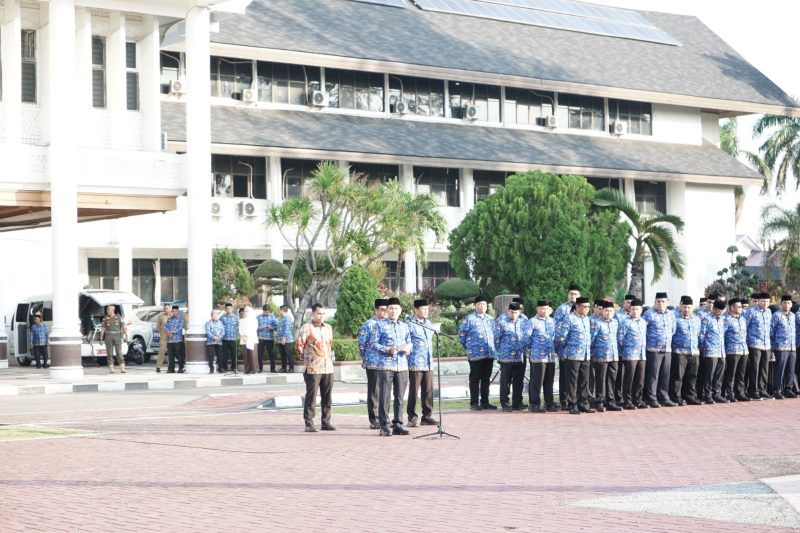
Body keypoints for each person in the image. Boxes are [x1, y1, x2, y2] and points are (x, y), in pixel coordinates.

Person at [370, 297, 412, 436]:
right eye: (391, 309)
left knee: (399, 397)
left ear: (400, 310)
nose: (394, 311)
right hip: (386, 365)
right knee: (385, 396)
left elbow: (410, 342)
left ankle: (398, 424)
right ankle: (383, 425)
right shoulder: (380, 325)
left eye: (396, 309)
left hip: (402, 366)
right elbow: (373, 344)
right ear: (386, 310)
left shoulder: (405, 326)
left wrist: (408, 348)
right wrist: (388, 349)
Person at [296, 303, 335, 432]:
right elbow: (299, 346)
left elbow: (330, 346)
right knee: (311, 396)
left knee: (327, 396)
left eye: (323, 314)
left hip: (328, 367)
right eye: (319, 313)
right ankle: (309, 422)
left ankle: (326, 421)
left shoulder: (328, 328)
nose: (321, 316)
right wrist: (309, 358)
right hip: (313, 368)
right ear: (313, 314)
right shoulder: (306, 328)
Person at [554, 296, 593, 415]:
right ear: (577, 306)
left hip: (585, 355)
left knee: (584, 381)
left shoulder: (587, 319)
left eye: (588, 307)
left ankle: (583, 403)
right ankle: (572, 404)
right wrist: (566, 350)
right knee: (572, 381)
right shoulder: (569, 319)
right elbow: (560, 337)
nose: (586, 309)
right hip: (572, 355)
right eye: (584, 307)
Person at [458, 295, 496, 411]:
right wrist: (469, 347)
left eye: (484, 304)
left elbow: (495, 334)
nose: (482, 306)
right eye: (479, 304)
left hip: (488, 353)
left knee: (486, 378)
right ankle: (474, 403)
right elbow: (461, 335)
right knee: (475, 378)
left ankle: (485, 402)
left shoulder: (490, 319)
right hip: (475, 354)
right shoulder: (469, 319)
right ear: (475, 306)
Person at [407, 299, 438, 427]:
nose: (426, 312)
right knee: (414, 391)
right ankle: (412, 417)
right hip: (415, 362)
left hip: (428, 362)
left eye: (427, 309)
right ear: (416, 310)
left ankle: (427, 416)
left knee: (428, 390)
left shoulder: (429, 323)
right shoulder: (409, 324)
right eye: (423, 309)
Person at [642, 292, 677, 407]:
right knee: (653, 375)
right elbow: (643, 330)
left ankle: (664, 397)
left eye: (663, 301)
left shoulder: (671, 314)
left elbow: (673, 330)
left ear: (667, 302)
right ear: (654, 302)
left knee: (665, 374)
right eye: (658, 301)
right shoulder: (648, 314)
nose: (661, 303)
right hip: (653, 350)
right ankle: (652, 398)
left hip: (667, 349)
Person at [358, 299, 388, 429]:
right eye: (382, 309)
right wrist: (366, 358)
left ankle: (384, 418)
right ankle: (374, 419)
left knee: (385, 391)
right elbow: (361, 344)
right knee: (374, 392)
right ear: (376, 310)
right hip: (373, 363)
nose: (385, 312)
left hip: (387, 363)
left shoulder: (389, 324)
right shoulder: (369, 325)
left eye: (386, 309)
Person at [495, 301, 529, 412]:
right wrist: (501, 352)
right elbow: (496, 339)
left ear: (520, 311)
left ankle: (517, 403)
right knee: (505, 381)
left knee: (519, 380)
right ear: (508, 311)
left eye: (516, 312)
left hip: (520, 355)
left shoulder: (524, 320)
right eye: (512, 312)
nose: (513, 314)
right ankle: (505, 403)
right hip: (506, 356)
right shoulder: (501, 320)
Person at [670, 296, 701, 406]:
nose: (686, 309)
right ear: (680, 306)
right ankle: (676, 397)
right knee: (678, 377)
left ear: (692, 308)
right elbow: (671, 334)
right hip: (679, 352)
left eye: (689, 307)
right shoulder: (675, 318)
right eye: (684, 307)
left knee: (692, 376)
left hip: (694, 352)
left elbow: (698, 334)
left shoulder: (696, 319)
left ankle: (691, 396)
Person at [554, 284, 581, 409]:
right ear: (568, 295)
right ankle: (564, 400)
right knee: (564, 376)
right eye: (571, 294)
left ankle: (576, 399)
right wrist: (558, 347)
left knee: (576, 377)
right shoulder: (562, 308)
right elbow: (556, 327)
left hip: (578, 350)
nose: (573, 296)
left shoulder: (581, 307)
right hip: (564, 348)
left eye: (576, 294)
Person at [590, 300, 620, 412]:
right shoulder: (597, 323)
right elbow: (592, 339)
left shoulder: (615, 322)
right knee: (600, 380)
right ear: (602, 311)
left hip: (613, 356)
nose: (608, 313)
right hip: (600, 355)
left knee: (612, 379)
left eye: (611, 311)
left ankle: (611, 402)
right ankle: (599, 402)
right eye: (606, 310)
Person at [527, 300, 557, 413]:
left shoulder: (552, 321)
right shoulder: (532, 322)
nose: (544, 311)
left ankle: (549, 403)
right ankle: (534, 404)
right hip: (538, 357)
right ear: (537, 309)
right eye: (542, 308)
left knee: (549, 381)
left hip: (550, 356)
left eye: (546, 308)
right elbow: (526, 338)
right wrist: (535, 347)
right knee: (537, 381)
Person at [618, 298, 648, 409]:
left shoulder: (644, 322)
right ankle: (627, 400)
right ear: (630, 310)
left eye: (637, 309)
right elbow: (620, 339)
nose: (635, 311)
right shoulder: (625, 322)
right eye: (633, 309)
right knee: (628, 379)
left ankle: (638, 400)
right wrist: (624, 351)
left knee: (640, 379)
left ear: (641, 310)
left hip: (641, 355)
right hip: (630, 354)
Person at [699, 299, 727, 403]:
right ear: (714, 309)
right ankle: (707, 394)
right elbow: (702, 335)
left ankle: (717, 394)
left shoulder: (723, 319)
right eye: (718, 311)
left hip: (721, 351)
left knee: (719, 374)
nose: (720, 313)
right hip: (710, 351)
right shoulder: (707, 319)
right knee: (709, 375)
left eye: (722, 311)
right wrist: (702, 348)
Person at [746, 292, 772, 400]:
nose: (765, 303)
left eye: (767, 301)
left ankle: (762, 389)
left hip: (766, 345)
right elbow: (745, 328)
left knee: (764, 368)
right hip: (754, 344)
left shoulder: (769, 312)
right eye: (763, 301)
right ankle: (753, 390)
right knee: (755, 368)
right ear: (758, 301)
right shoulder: (751, 311)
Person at [770, 295, 796, 400]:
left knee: (791, 369)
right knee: (780, 369)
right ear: (781, 304)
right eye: (785, 303)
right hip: (780, 347)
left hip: (792, 347)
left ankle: (788, 389)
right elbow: (771, 331)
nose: (787, 305)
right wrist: (772, 347)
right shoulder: (776, 315)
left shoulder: (793, 315)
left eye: (789, 303)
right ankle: (777, 390)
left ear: (791, 304)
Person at [723, 298, 750, 402]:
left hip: (743, 350)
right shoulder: (726, 319)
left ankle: (740, 392)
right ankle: (729, 393)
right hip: (732, 351)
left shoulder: (743, 319)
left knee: (741, 374)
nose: (740, 308)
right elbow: (723, 335)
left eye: (741, 307)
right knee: (731, 374)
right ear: (731, 307)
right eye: (738, 306)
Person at [100, 304, 127, 373]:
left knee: (119, 352)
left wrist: (125, 336)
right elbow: (102, 329)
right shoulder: (105, 318)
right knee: (109, 352)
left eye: (108, 309)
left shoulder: (118, 317)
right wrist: (101, 339)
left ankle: (122, 367)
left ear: (113, 310)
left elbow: (123, 327)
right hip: (108, 335)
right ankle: (111, 367)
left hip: (117, 335)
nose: (107, 310)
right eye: (107, 309)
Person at [257, 304, 279, 373]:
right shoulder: (258, 317)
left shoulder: (272, 317)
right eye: (265, 311)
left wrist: (271, 327)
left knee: (271, 354)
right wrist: (259, 327)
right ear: (262, 310)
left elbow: (276, 327)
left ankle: (273, 369)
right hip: (260, 338)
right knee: (260, 354)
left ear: (269, 310)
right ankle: (260, 368)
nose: (266, 312)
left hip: (269, 338)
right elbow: (254, 327)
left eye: (267, 311)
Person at [164, 305, 185, 373]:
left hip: (177, 340)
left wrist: (171, 332)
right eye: (173, 311)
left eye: (175, 311)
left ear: (178, 311)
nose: (174, 312)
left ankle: (181, 368)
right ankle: (171, 369)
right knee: (171, 355)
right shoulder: (169, 319)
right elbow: (165, 326)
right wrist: (168, 332)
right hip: (170, 340)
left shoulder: (180, 319)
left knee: (179, 355)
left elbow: (180, 328)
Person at [219, 303, 239, 372]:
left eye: (230, 308)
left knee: (233, 353)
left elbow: (238, 326)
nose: (229, 310)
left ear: (232, 309)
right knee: (224, 354)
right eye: (227, 308)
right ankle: (225, 367)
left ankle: (234, 367)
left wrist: (236, 334)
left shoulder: (236, 317)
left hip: (233, 338)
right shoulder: (222, 317)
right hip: (224, 338)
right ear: (225, 309)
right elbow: (219, 327)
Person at [239, 306, 259, 374]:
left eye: (247, 311)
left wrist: (248, 336)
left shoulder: (254, 320)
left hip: (252, 339)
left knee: (252, 355)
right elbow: (240, 329)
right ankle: (247, 369)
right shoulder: (242, 320)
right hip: (244, 339)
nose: (246, 312)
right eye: (245, 311)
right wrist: (243, 335)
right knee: (246, 355)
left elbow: (254, 329)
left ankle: (253, 369)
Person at [277, 305, 295, 372]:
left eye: (280, 310)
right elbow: (280, 328)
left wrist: (284, 338)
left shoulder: (287, 318)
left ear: (282, 310)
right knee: (283, 354)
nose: (279, 311)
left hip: (287, 339)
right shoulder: (282, 318)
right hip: (281, 339)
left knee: (288, 353)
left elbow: (287, 329)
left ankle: (291, 368)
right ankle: (284, 368)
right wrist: (278, 337)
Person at [155, 303, 171, 373]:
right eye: (165, 308)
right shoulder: (161, 316)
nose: (166, 310)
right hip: (163, 337)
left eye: (167, 308)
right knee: (161, 351)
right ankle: (158, 367)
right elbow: (158, 326)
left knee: (171, 352)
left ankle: (170, 366)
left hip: (171, 337)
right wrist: (161, 332)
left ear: (170, 308)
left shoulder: (173, 315)